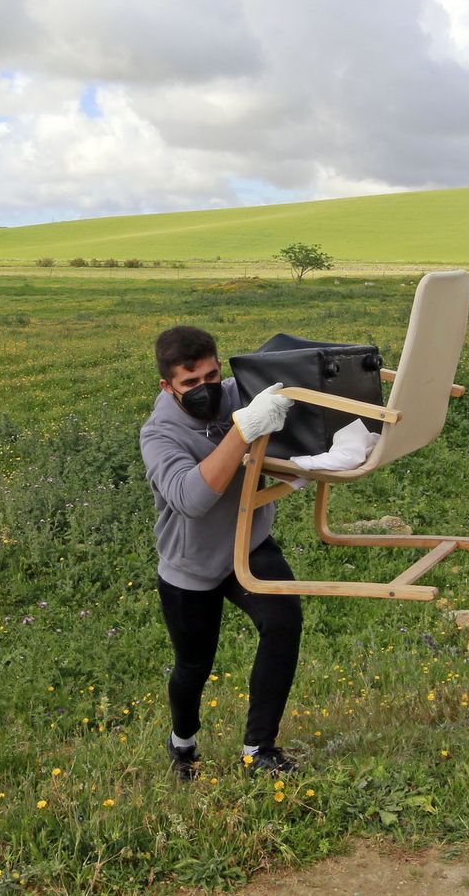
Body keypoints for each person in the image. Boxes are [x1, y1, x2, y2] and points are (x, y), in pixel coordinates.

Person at [140, 326, 302, 779]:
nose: (205, 389)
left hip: (247, 542)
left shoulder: (239, 393)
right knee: (194, 666)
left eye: (211, 376)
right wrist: (244, 428)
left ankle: (259, 749)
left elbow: (297, 375)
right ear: (167, 386)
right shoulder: (158, 435)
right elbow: (190, 498)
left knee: (283, 621)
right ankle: (182, 742)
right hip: (190, 565)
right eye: (190, 383)